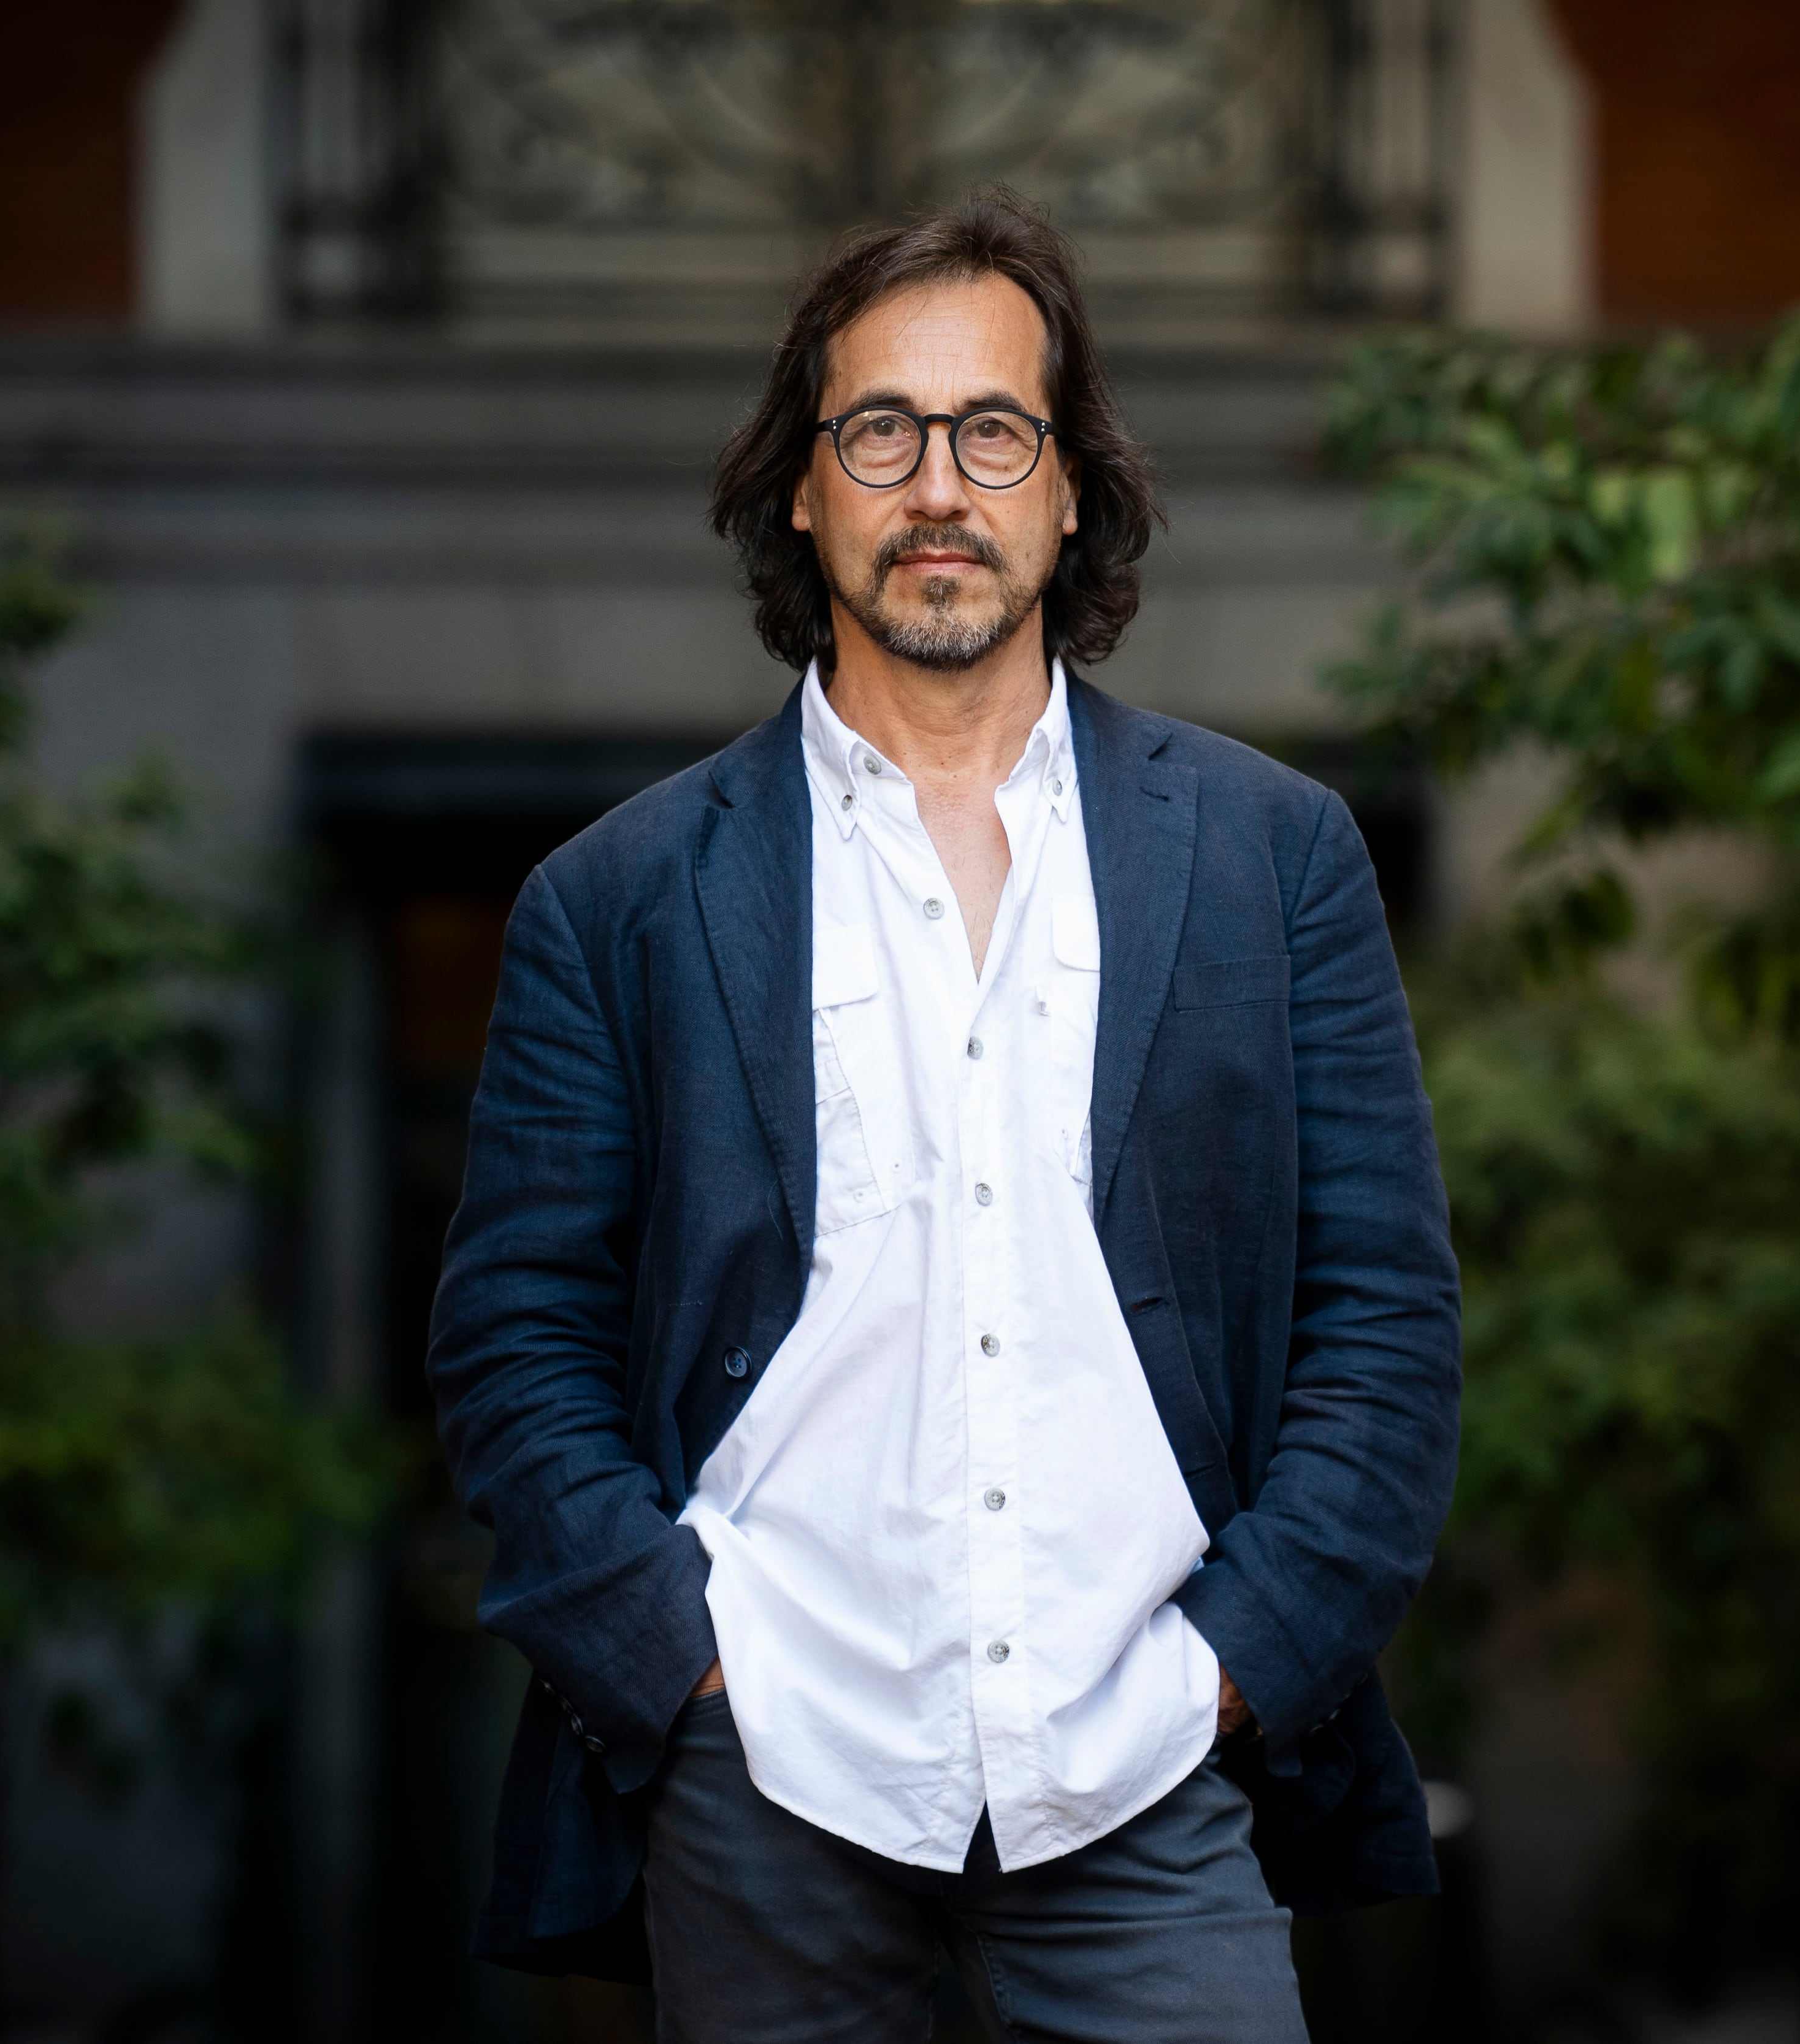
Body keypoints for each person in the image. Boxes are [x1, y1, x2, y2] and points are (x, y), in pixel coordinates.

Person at [427, 188, 1461, 2043]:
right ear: (803, 491)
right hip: (769, 1775)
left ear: (1071, 489)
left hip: (1143, 1763)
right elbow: (515, 1342)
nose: (938, 485)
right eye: (878, 432)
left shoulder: (1273, 861)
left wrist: (1231, 1675)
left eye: (995, 431)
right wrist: (688, 1674)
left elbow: (1383, 1328)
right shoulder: (624, 896)